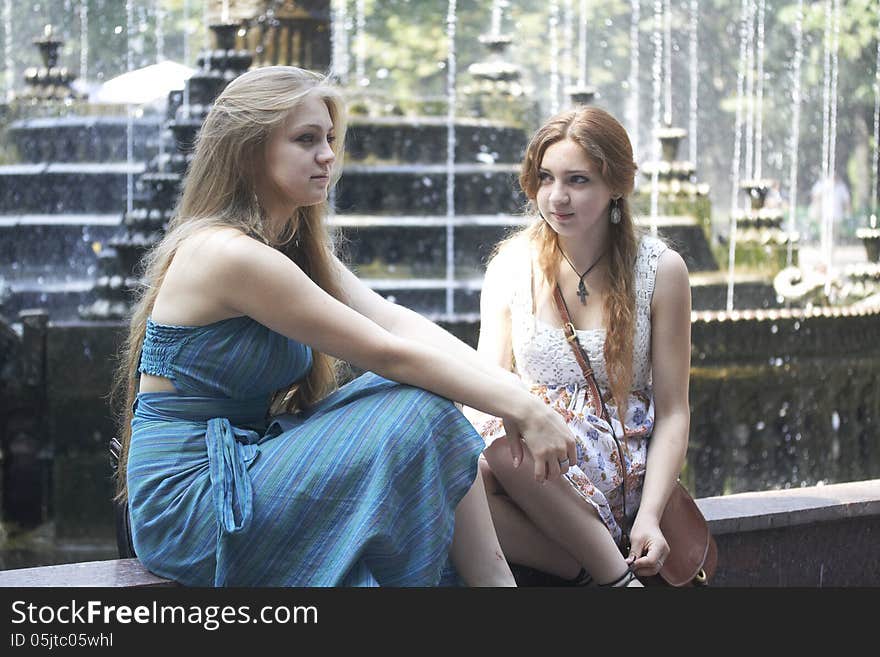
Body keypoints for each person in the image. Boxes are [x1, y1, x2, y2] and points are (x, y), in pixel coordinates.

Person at [112, 65, 579, 587]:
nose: (328, 156)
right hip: (193, 500)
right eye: (306, 140)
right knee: (418, 402)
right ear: (248, 150)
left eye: (330, 138)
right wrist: (519, 409)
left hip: (248, 460)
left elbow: (394, 321)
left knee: (423, 399)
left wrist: (518, 393)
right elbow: (388, 353)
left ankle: (516, 580)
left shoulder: (282, 244)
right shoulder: (228, 255)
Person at [465, 106, 692, 587]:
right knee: (450, 473)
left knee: (508, 450)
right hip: (531, 452)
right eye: (545, 178)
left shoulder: (659, 270)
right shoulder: (511, 266)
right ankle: (577, 564)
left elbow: (674, 412)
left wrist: (651, 516)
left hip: (616, 460)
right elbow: (488, 383)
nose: (557, 197)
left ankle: (603, 570)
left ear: (616, 186)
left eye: (578, 180)